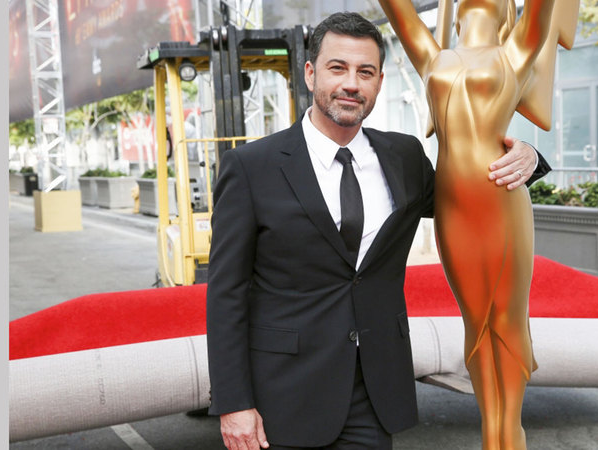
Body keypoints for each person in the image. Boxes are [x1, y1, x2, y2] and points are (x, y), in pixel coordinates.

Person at [205, 11, 552, 450]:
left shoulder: (404, 158)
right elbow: (226, 295)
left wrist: (529, 157)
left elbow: (466, 197)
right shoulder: (251, 167)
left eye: (365, 72)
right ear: (310, 74)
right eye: (338, 68)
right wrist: (233, 403)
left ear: (379, 82)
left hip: (373, 399)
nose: (351, 84)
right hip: (283, 400)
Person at [377, 1, 577, 449]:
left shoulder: (516, 51)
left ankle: (508, 431)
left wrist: (531, 153)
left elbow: (541, 11)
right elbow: (396, 8)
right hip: (453, 208)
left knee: (507, 318)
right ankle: (492, 428)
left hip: (503, 200)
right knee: (476, 322)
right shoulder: (433, 55)